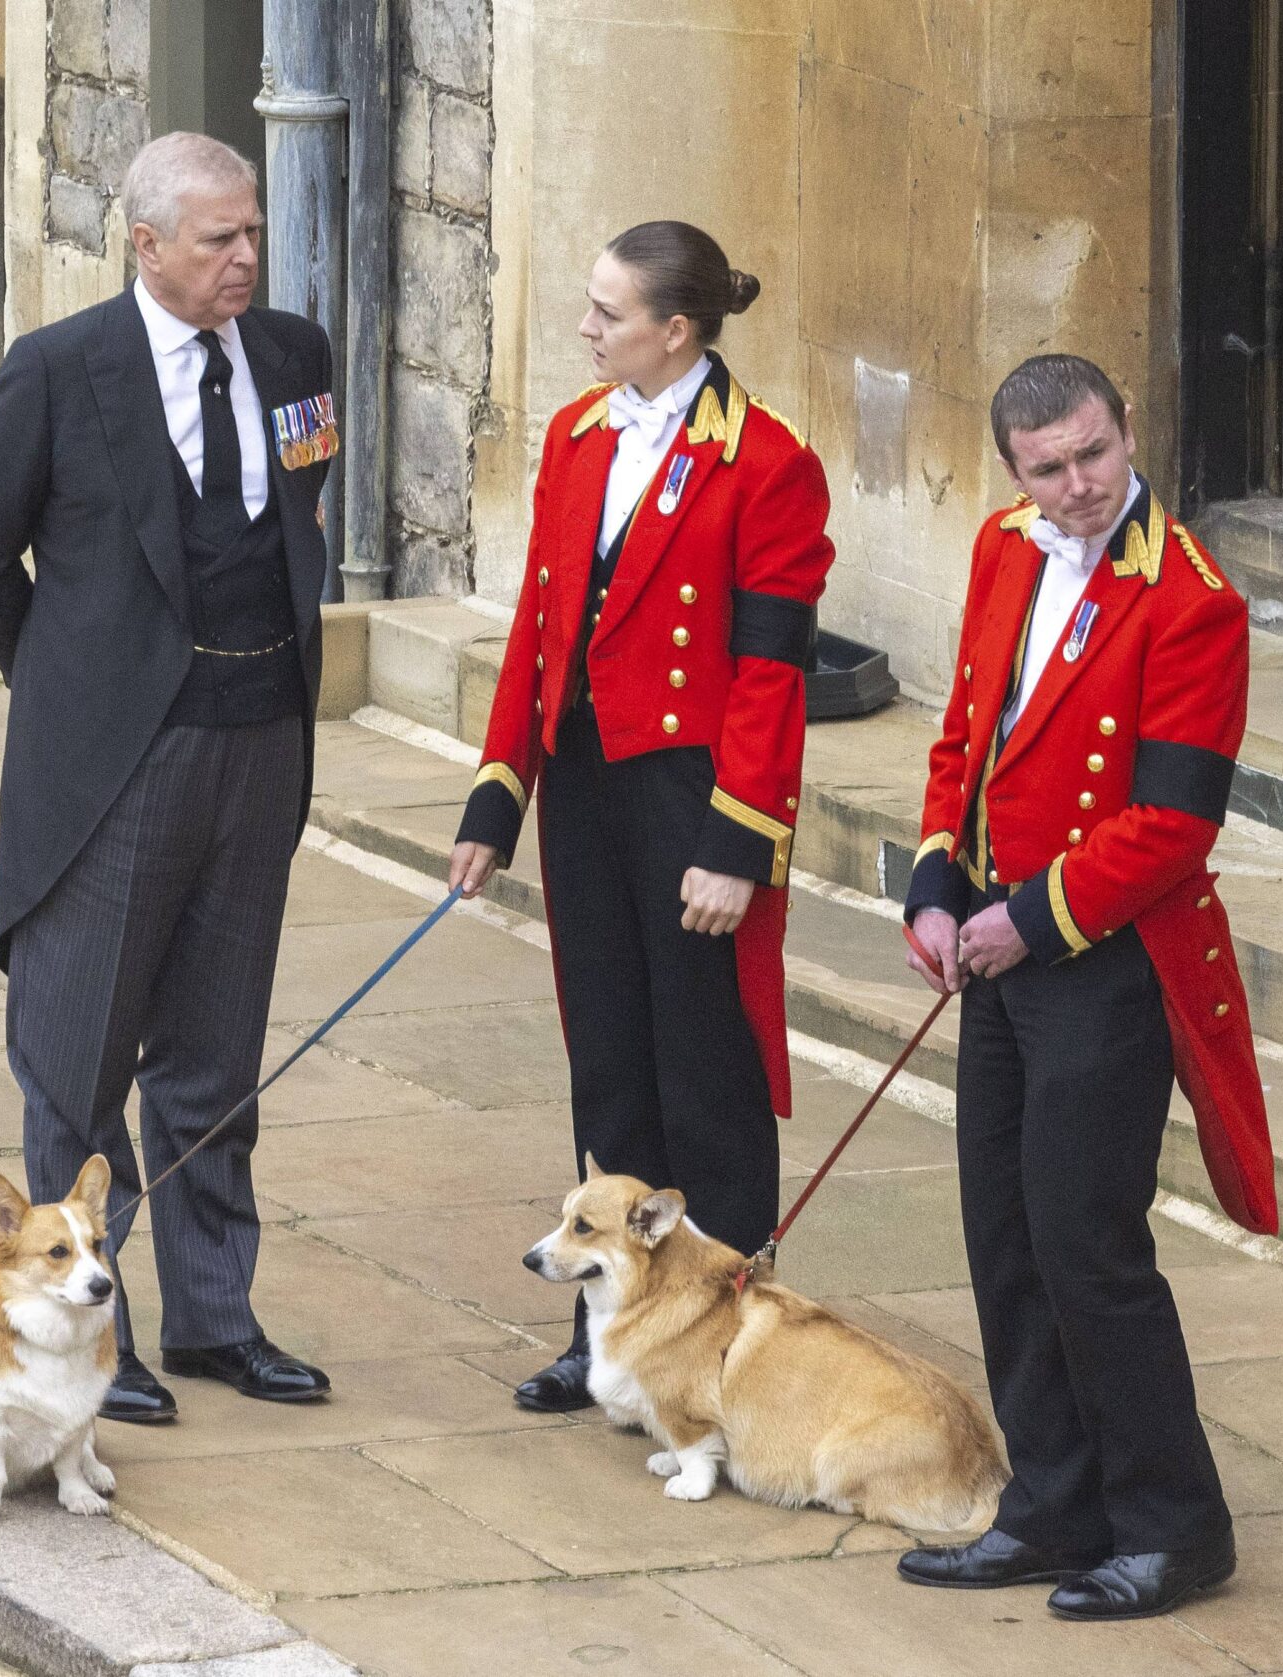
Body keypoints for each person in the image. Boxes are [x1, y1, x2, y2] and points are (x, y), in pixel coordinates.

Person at [0, 132, 340, 1425]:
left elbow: (302, 511)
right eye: (218, 239)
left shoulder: (292, 359)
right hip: (116, 768)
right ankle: (72, 1332)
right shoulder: (60, 374)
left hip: (257, 744)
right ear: (146, 244)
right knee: (79, 1057)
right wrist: (69, 691)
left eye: (253, 235)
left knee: (216, 1057)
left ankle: (216, 1313)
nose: (246, 260)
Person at [891, 354, 1277, 1619]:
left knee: (1086, 1244)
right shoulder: (1006, 547)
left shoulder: (1191, 601)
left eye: (1094, 456)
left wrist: (1026, 919)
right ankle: (1054, 1506)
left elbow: (1172, 825)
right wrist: (937, 887)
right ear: (1015, 472)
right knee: (1002, 1235)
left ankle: (1174, 1526)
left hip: (1108, 965)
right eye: (1049, 469)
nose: (1078, 488)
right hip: (999, 944)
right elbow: (967, 737)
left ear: (1125, 432)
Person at [448, 221, 836, 1413]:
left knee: (704, 1079)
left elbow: (773, 671)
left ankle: (726, 1350)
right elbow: (541, 630)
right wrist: (495, 793)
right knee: (610, 1065)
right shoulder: (574, 436)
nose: (584, 330)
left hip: (694, 800)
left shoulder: (767, 461)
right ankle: (608, 1329)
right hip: (587, 792)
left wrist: (737, 844)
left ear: (677, 330)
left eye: (608, 314)